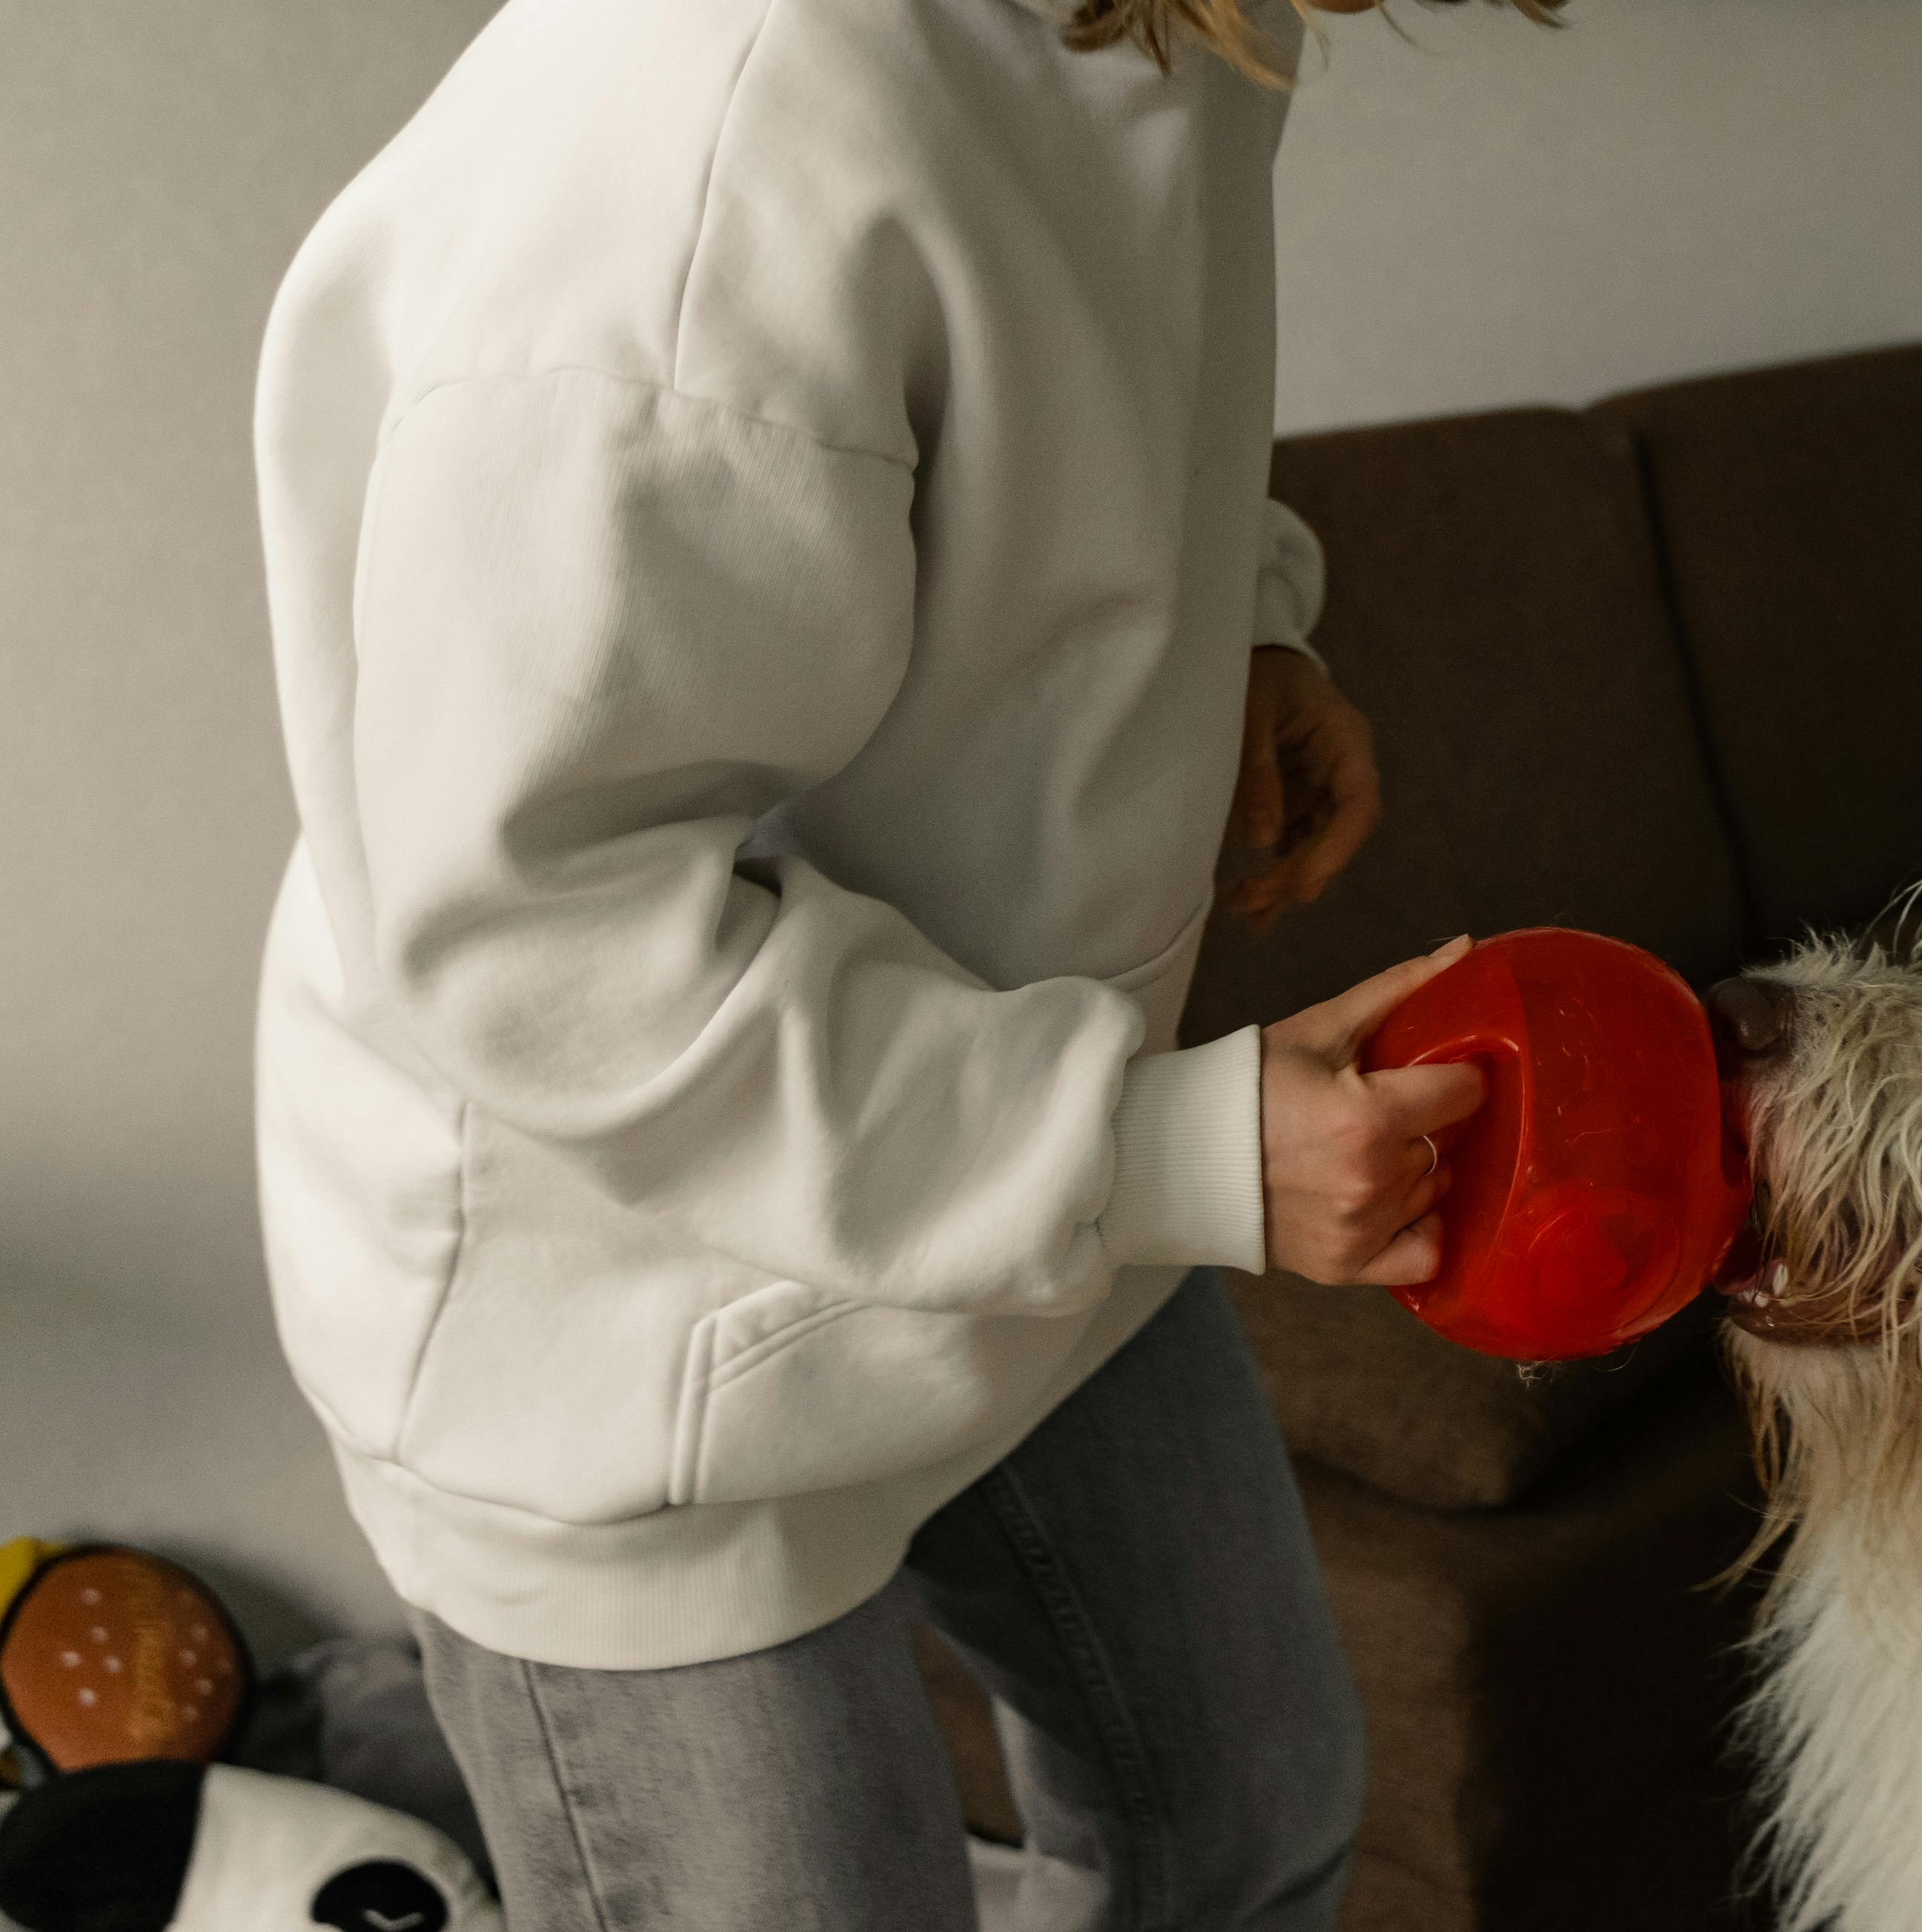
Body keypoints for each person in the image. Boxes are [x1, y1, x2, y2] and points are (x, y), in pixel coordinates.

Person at [248, 0, 1532, 1923]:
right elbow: (541, 937)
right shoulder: (709, 137)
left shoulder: (1191, 24)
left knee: (1254, 1830)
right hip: (628, 1310)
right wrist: (1168, 1158)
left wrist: (1239, 630)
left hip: (1010, 1162)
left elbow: (1093, 423)